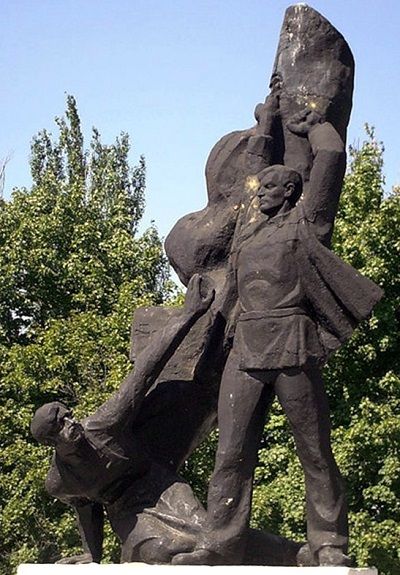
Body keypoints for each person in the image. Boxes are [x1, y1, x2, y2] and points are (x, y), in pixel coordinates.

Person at [172, 111, 383, 567]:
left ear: (291, 192)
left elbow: (329, 158)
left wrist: (315, 124)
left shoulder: (308, 223)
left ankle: (328, 543)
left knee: (313, 448)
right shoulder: (248, 230)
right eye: (260, 187)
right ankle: (219, 542)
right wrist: (267, 120)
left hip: (291, 343)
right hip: (245, 346)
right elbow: (250, 171)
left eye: (271, 187)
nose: (261, 192)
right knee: (230, 450)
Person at [31, 274, 216, 564]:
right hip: (125, 509)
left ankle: (282, 551)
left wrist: (189, 313)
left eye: (70, 416)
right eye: (62, 425)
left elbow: (145, 370)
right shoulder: (59, 482)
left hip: (158, 483)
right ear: (51, 442)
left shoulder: (102, 427)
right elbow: (86, 508)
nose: (72, 423)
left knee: (208, 534)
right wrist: (92, 555)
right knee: (156, 552)